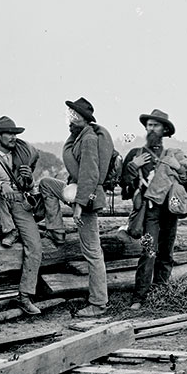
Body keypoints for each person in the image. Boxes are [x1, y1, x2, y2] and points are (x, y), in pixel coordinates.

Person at [120, 108, 187, 310]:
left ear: (165, 130)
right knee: (149, 251)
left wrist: (178, 167)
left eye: (156, 125)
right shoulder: (136, 154)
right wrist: (132, 166)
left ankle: (161, 293)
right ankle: (139, 297)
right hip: (149, 213)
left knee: (166, 253)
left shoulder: (174, 154)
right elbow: (124, 184)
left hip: (170, 212)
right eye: (149, 125)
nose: (151, 128)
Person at [39, 97, 111, 317]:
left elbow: (91, 174)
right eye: (69, 116)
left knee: (92, 252)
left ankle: (98, 303)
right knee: (46, 184)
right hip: (77, 190)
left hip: (86, 198)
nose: (70, 120)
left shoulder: (89, 139)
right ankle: (56, 230)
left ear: (86, 118)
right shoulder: (79, 136)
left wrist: (78, 206)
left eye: (75, 116)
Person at [0, 116, 44, 315]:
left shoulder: (20, 157)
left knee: (35, 246)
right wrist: (0, 185)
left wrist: (29, 180)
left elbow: (28, 187)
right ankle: (10, 229)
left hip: (20, 203)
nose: (13, 137)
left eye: (15, 133)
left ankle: (25, 296)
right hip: (0, 203)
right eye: (9, 133)